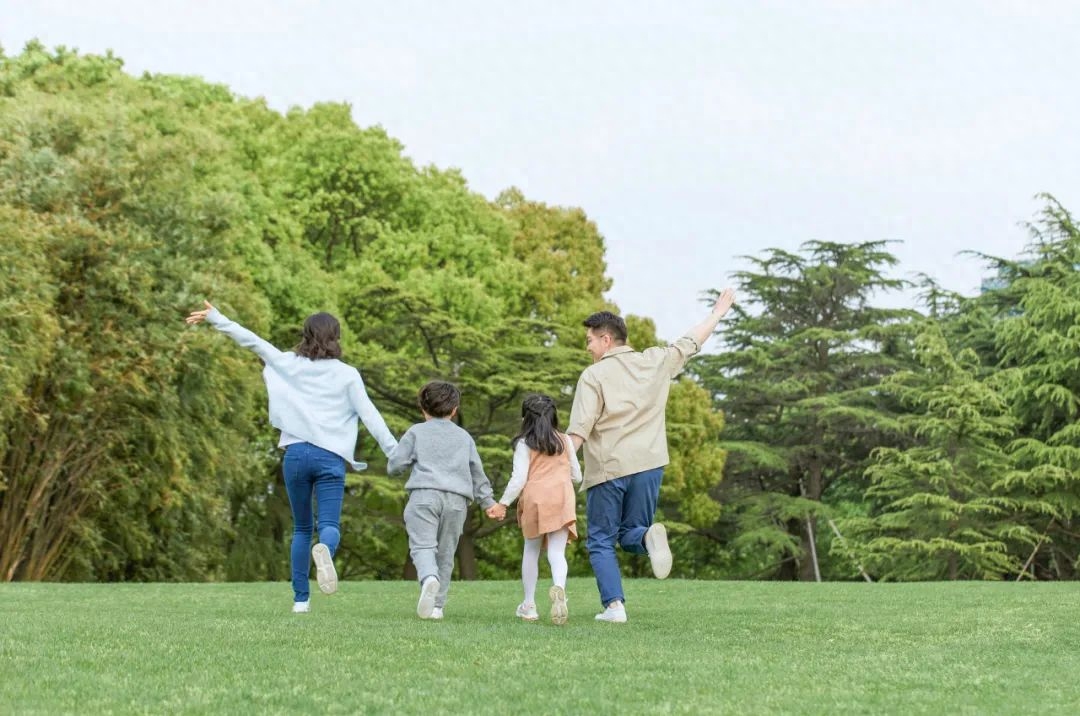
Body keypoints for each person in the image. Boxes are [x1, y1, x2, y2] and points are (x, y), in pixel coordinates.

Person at [185, 302, 398, 614]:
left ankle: (301, 600)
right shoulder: (348, 375)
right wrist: (396, 453)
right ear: (336, 337)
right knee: (328, 524)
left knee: (300, 528)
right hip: (330, 458)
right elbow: (372, 418)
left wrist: (217, 318)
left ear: (306, 335)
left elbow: (252, 340)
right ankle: (325, 549)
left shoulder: (289, 363)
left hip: (296, 455)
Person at [567, 288, 736, 623]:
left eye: (589, 340)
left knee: (601, 540)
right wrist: (717, 314)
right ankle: (647, 536)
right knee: (632, 534)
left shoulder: (594, 375)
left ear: (605, 339)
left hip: (609, 469)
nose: (587, 347)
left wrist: (557, 468)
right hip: (650, 465)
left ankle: (614, 607)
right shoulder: (655, 361)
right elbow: (690, 342)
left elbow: (579, 432)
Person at [387, 380, 504, 620]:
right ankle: (437, 607)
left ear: (423, 408)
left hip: (424, 496)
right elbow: (476, 472)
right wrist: (488, 502)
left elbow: (395, 465)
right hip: (457, 501)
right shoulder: (464, 437)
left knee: (422, 546)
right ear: (454, 409)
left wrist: (403, 462)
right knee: (446, 552)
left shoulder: (415, 432)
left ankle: (429, 578)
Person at [496, 394, 582, 626]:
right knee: (557, 553)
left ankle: (529, 606)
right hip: (563, 497)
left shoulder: (525, 444)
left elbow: (518, 479)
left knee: (531, 552)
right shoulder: (564, 440)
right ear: (554, 416)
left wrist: (503, 502)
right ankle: (559, 589)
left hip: (535, 498)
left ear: (525, 418)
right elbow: (577, 475)